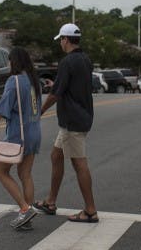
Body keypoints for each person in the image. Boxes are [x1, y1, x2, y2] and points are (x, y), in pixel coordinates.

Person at [35, 23, 98, 223]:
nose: (60, 43)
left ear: (66, 39)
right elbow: (71, 86)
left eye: (61, 39)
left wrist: (40, 111)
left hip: (73, 120)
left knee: (79, 163)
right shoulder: (85, 60)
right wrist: (58, 85)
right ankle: (50, 201)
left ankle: (90, 210)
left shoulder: (67, 62)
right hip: (80, 116)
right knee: (56, 155)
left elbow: (56, 94)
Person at [0, 47, 43, 230]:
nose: (8, 64)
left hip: (18, 134)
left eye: (9, 60)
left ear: (15, 62)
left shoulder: (14, 81)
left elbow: (1, 109)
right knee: (25, 174)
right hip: (34, 131)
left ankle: (24, 208)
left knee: (1, 172)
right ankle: (27, 216)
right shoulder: (34, 80)